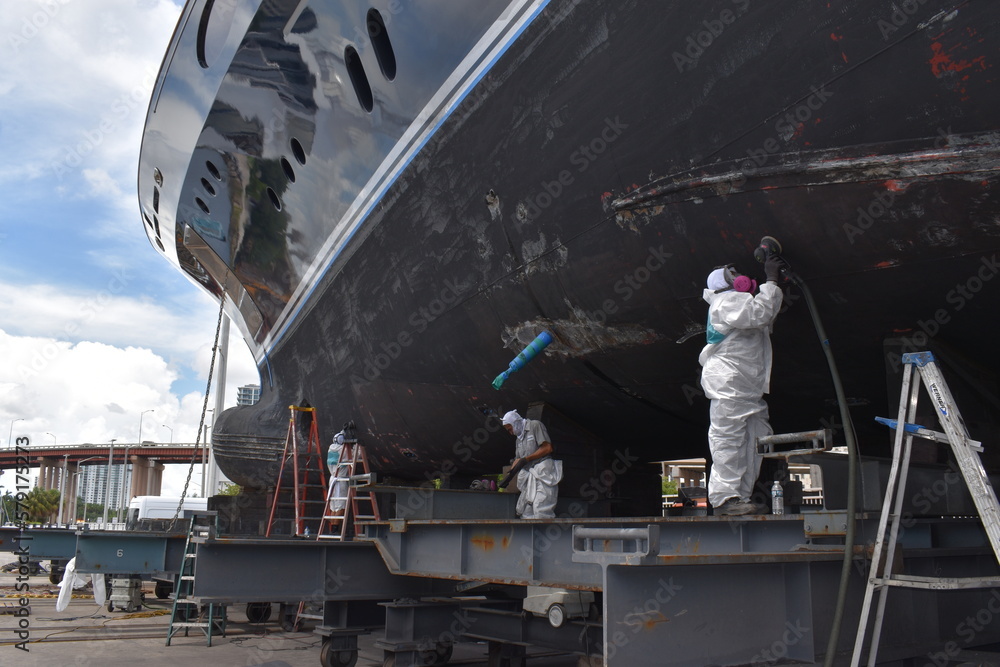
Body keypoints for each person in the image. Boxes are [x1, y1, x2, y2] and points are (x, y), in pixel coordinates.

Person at [699, 256, 784, 516]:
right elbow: (760, 314)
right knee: (729, 439)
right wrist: (771, 280)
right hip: (730, 383)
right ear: (723, 283)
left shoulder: (735, 302)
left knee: (755, 437)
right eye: (732, 273)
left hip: (745, 385)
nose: (738, 275)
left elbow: (760, 320)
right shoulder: (726, 300)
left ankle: (740, 497)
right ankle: (725, 499)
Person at [501, 410, 563, 518]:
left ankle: (544, 532)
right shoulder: (518, 439)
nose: (510, 432)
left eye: (510, 429)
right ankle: (530, 534)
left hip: (542, 474)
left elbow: (547, 448)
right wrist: (509, 476)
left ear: (515, 423)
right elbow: (518, 459)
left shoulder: (535, 425)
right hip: (529, 478)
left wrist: (527, 459)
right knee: (526, 511)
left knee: (541, 509)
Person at [326, 429, 348, 516]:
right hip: (340, 481)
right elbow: (357, 455)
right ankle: (336, 528)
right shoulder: (343, 450)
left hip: (332, 480)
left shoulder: (330, 450)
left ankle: (334, 528)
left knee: (334, 507)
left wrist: (342, 433)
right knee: (341, 506)